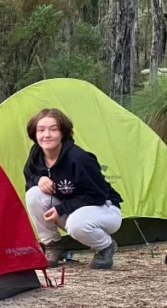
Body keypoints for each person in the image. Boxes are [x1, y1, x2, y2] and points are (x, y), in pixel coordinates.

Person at [23, 108, 122, 270]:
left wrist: (62, 208)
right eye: (41, 130)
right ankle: (52, 245)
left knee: (76, 224)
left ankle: (105, 246)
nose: (46, 135)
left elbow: (98, 195)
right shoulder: (37, 153)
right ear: (34, 134)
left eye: (53, 129)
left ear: (63, 133)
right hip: (71, 208)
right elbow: (28, 176)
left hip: (104, 209)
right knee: (33, 194)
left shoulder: (79, 159)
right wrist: (38, 179)